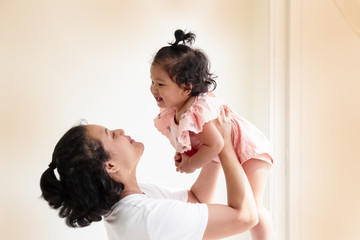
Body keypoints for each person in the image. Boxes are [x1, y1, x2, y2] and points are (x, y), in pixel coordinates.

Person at [40, 109, 258, 240]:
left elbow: (197, 200)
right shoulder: (146, 217)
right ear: (110, 166)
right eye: (111, 135)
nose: (121, 131)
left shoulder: (137, 200)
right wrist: (226, 145)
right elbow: (245, 217)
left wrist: (210, 146)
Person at [150, 29, 274, 240]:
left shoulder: (199, 110)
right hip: (235, 151)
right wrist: (185, 155)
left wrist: (191, 164)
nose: (153, 89)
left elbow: (215, 145)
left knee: (253, 205)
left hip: (251, 149)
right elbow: (197, 143)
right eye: (152, 81)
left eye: (161, 84)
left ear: (187, 88)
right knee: (247, 204)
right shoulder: (175, 111)